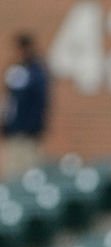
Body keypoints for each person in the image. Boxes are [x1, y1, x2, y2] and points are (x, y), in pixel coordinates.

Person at [1, 32, 50, 181]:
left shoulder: (36, 72)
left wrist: (34, 127)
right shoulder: (15, 70)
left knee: (28, 173)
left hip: (29, 132)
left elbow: (40, 103)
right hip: (13, 131)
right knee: (12, 173)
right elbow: (9, 100)